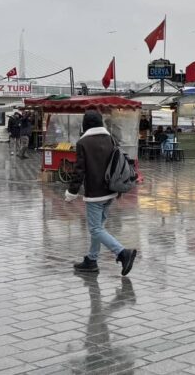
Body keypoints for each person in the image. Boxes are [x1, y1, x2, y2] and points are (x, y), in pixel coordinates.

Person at [67, 110, 138, 276]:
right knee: (98, 228)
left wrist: (71, 191)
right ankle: (91, 260)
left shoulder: (83, 143)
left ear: (86, 124)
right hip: (110, 191)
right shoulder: (110, 139)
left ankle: (122, 253)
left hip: (95, 194)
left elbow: (79, 171)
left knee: (95, 229)